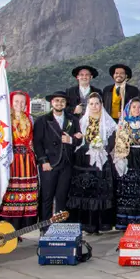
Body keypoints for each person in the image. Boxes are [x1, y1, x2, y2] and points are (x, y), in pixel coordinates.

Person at [68, 93, 117, 234]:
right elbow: (78, 138)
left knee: (99, 192)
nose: (94, 106)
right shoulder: (82, 121)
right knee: (85, 191)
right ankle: (85, 224)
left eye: (97, 103)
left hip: (101, 157)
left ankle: (98, 224)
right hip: (84, 159)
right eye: (91, 104)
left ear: (101, 104)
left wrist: (105, 150)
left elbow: (113, 137)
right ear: (87, 106)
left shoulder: (108, 121)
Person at [33, 91, 83, 227]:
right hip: (49, 163)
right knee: (47, 197)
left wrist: (70, 140)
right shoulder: (42, 120)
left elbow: (78, 140)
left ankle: (60, 226)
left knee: (62, 196)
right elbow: (37, 143)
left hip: (66, 163)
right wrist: (43, 161)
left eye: (62, 101)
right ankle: (45, 226)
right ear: (52, 103)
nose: (59, 103)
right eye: (56, 101)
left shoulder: (73, 120)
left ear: (65, 103)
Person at [113, 97, 140, 230]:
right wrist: (120, 157)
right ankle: (125, 221)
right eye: (134, 107)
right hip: (127, 157)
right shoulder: (122, 124)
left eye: (139, 107)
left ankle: (139, 220)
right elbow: (117, 141)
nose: (137, 110)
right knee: (126, 189)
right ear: (129, 109)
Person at [0, 91, 39, 233]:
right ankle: (7, 227)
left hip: (27, 159)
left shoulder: (29, 118)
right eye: (16, 101)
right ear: (10, 102)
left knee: (25, 193)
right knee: (10, 192)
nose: (19, 105)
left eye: (22, 102)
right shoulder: (5, 119)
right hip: (12, 159)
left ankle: (21, 228)